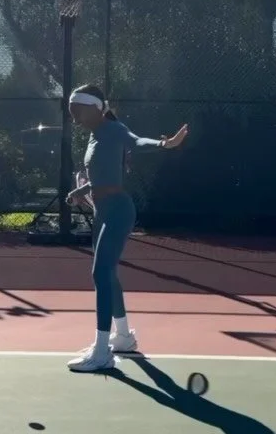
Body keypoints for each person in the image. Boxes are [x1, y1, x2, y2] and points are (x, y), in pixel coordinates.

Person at [65, 84, 189, 372]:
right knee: (107, 274)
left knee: (101, 273)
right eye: (71, 112)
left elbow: (137, 141)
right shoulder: (94, 137)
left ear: (96, 108)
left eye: (78, 110)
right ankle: (122, 337)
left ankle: (101, 352)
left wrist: (165, 144)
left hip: (118, 211)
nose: (74, 118)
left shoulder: (114, 129)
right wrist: (80, 190)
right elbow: (101, 175)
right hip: (101, 211)